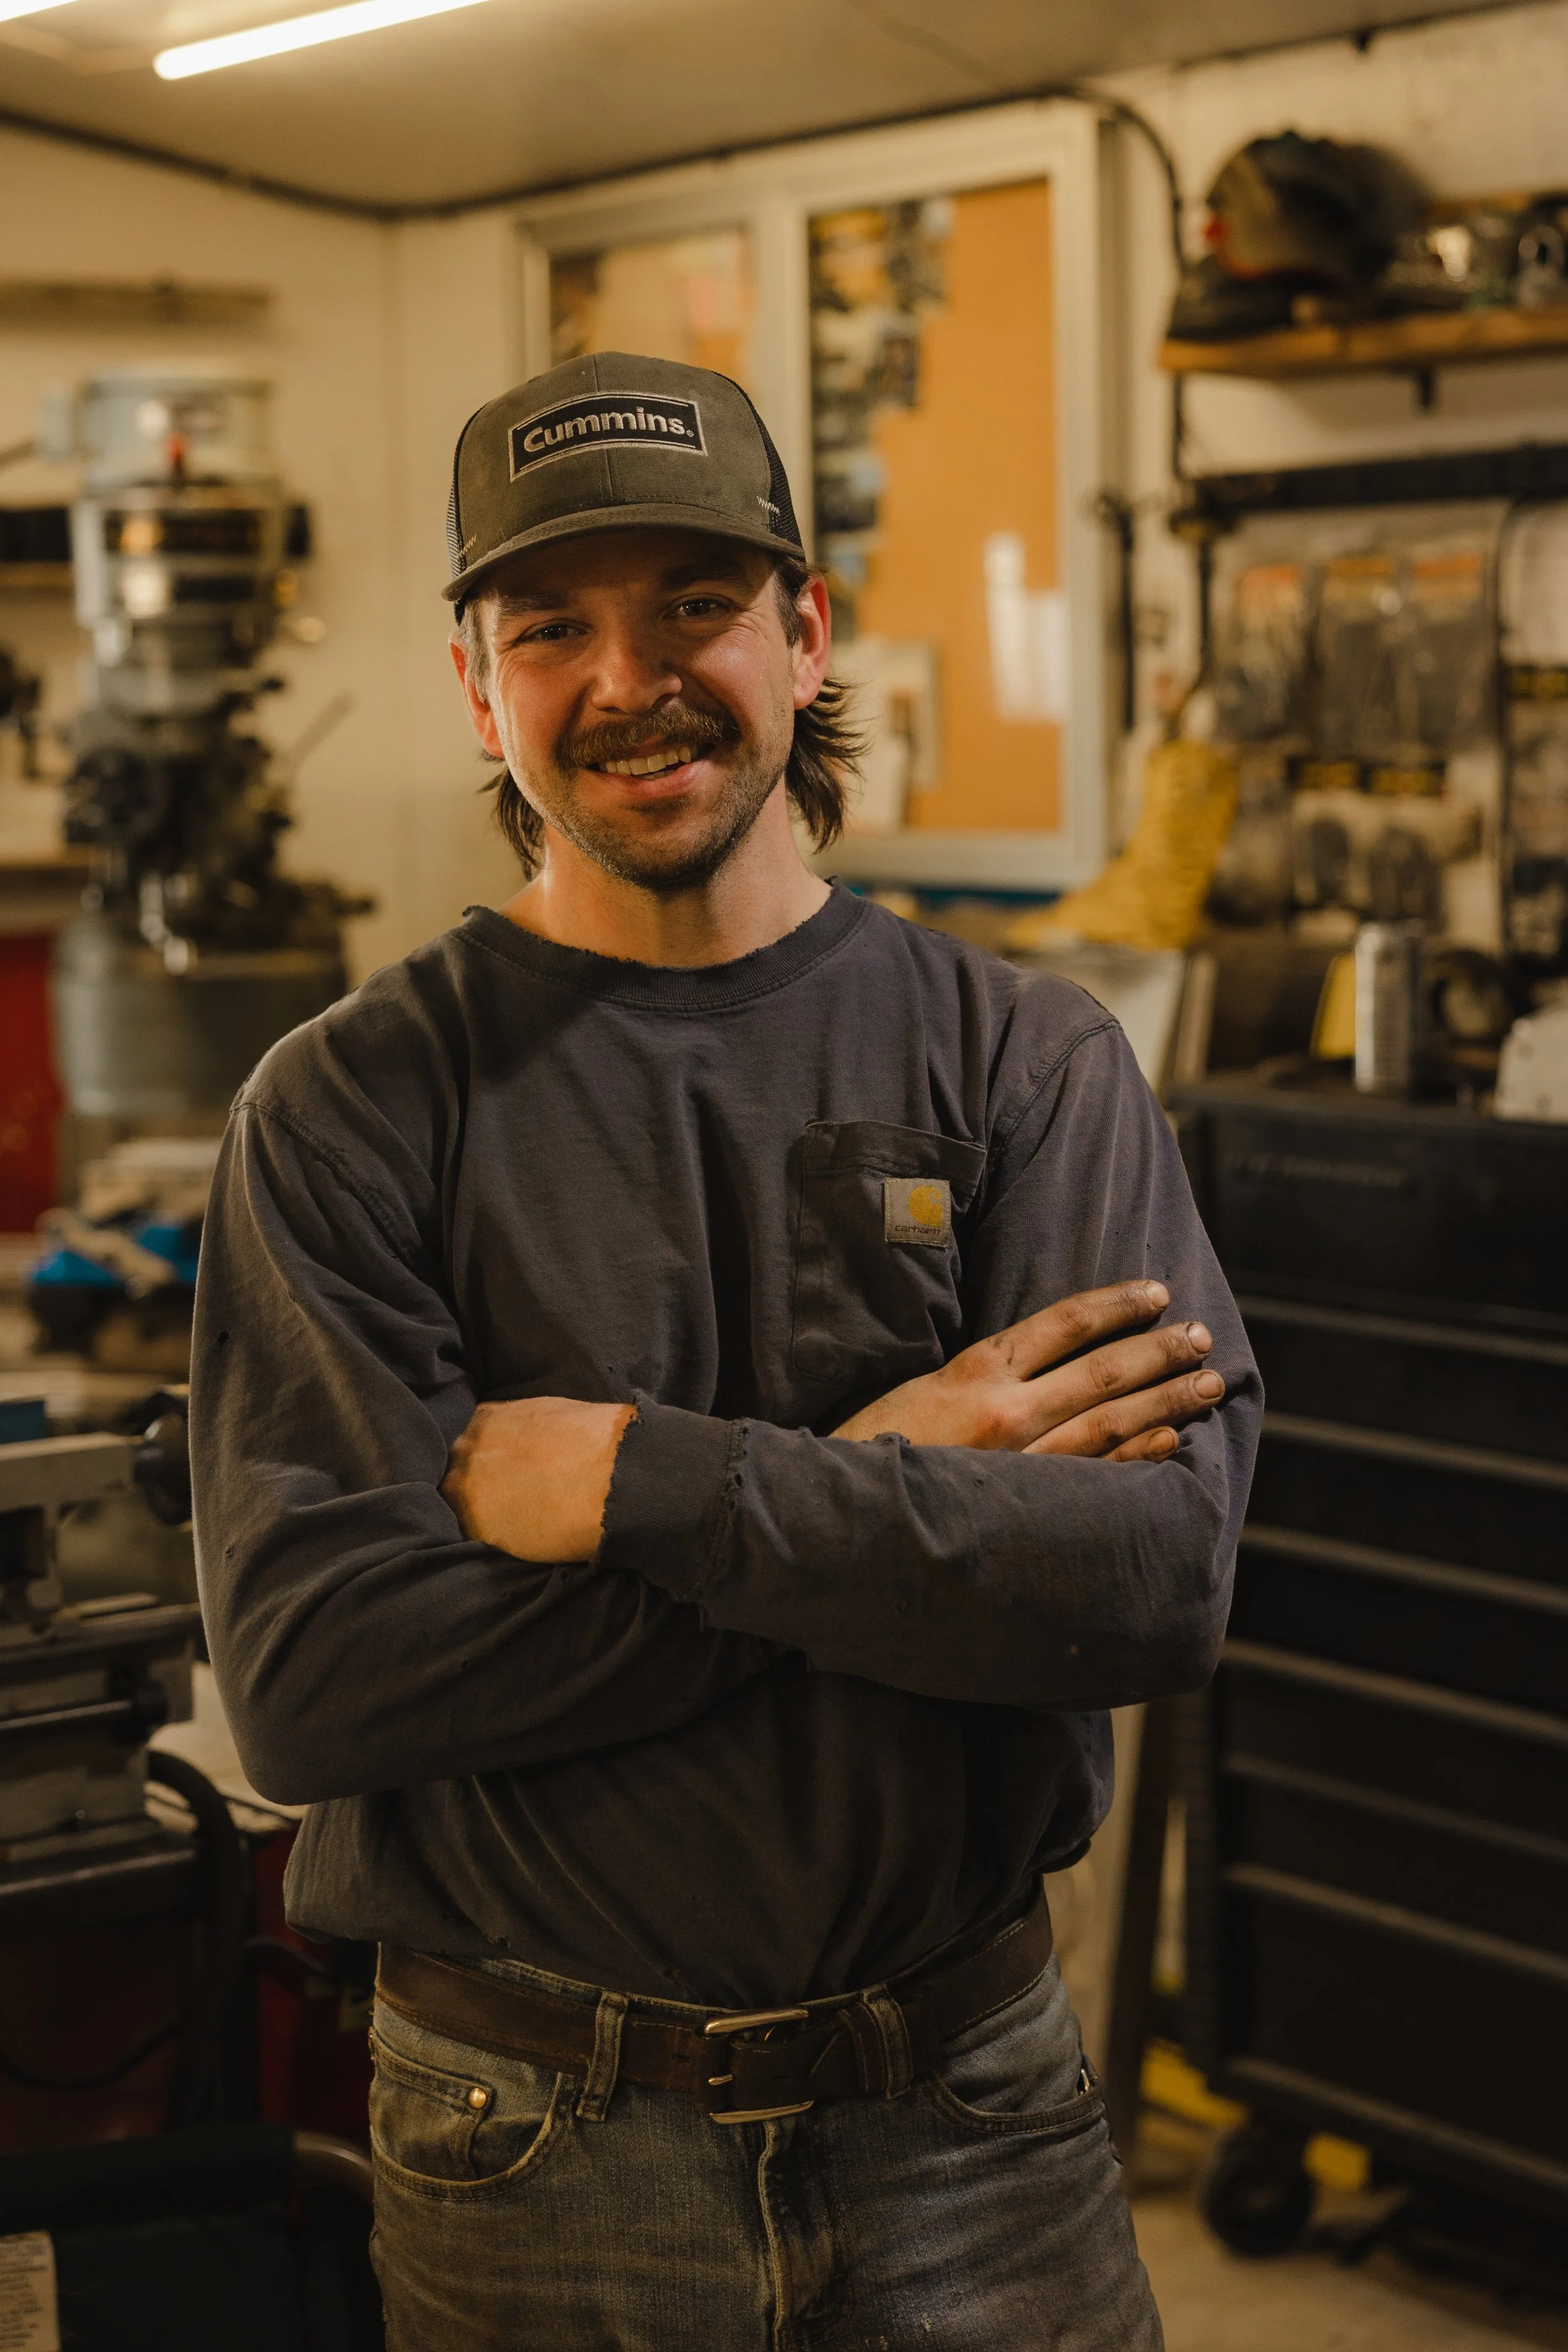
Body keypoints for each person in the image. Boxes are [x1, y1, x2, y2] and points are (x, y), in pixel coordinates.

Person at [191, 352, 1260, 2351]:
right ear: (475, 682)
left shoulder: (1026, 1065)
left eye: (692, 599)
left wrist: (642, 1488)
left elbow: (1144, 1585)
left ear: (804, 627)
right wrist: (904, 1467)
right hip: (530, 2144)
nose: (630, 677)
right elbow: (325, 1686)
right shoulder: (346, 1109)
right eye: (552, 627)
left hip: (973, 2117)